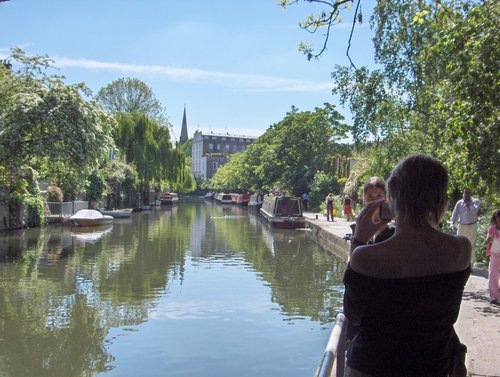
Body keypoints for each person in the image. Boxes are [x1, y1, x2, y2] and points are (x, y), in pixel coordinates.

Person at [344, 154, 471, 377]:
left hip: (370, 368)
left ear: (391, 199)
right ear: (441, 200)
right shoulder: (460, 249)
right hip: (431, 367)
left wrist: (358, 241)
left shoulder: (366, 257)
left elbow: (353, 315)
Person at [451, 189, 481, 263]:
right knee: (459, 244)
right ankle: (459, 263)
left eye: (468, 193)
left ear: (470, 194)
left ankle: (470, 264)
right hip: (461, 226)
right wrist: (452, 222)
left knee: (471, 245)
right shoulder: (459, 203)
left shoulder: (476, 202)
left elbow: (474, 212)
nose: (466, 195)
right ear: (463, 194)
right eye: (465, 193)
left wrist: (468, 204)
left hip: (472, 226)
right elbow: (455, 213)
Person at [485, 210, 500, 304]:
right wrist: (489, 238)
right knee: (493, 274)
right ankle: (493, 296)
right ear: (495, 220)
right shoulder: (492, 229)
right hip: (494, 253)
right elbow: (486, 242)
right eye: (498, 220)